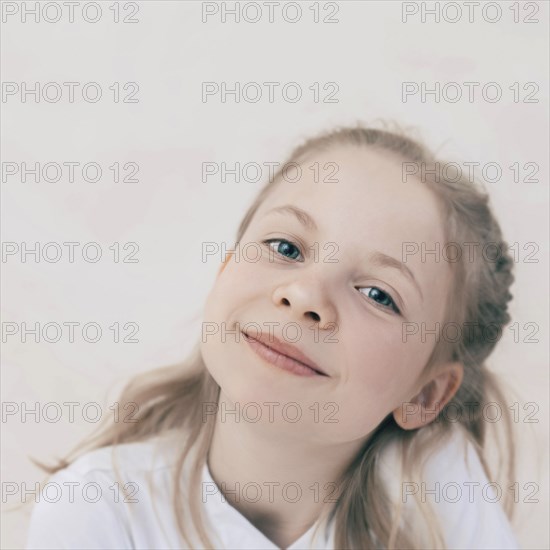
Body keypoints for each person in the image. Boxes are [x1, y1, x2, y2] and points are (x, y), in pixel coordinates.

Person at [26, 123, 520, 549]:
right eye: (285, 247)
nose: (305, 295)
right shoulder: (100, 507)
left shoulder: (437, 494)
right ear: (225, 269)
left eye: (377, 294)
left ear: (425, 392)